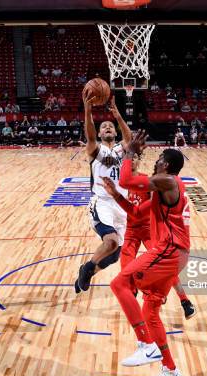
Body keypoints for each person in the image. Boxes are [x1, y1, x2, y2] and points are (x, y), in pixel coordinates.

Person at [108, 131, 190, 376]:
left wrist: (129, 151)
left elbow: (126, 178)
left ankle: (146, 344)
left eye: (159, 158)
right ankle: (170, 369)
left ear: (165, 164)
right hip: (176, 254)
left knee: (120, 284)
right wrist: (116, 196)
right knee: (150, 311)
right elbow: (134, 212)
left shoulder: (166, 181)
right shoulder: (163, 188)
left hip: (170, 250)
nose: (155, 161)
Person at [100, 155, 196, 320]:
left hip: (148, 229)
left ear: (138, 160)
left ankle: (184, 300)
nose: (131, 161)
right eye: (128, 158)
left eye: (135, 157)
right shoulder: (120, 182)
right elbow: (132, 211)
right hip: (130, 230)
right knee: (127, 271)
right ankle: (146, 304)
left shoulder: (150, 181)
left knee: (164, 266)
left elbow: (146, 208)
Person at [74, 92, 132, 293]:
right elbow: (89, 135)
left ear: (114, 132)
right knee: (111, 241)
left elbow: (130, 140)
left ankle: (88, 270)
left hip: (121, 205)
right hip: (102, 202)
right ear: (99, 134)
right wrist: (88, 110)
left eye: (110, 126)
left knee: (114, 255)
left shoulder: (120, 150)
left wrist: (117, 116)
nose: (107, 127)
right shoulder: (95, 149)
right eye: (103, 127)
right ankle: (87, 268)